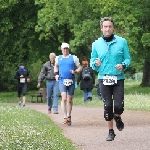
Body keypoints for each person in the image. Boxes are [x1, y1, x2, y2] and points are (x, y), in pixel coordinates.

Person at [90, 17, 131, 141]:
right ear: (101, 28)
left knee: (118, 106)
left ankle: (117, 116)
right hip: (104, 78)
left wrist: (123, 65)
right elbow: (92, 60)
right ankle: (111, 132)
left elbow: (128, 58)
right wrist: (95, 63)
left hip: (118, 78)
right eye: (105, 26)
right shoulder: (96, 44)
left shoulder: (122, 42)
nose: (107, 29)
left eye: (109, 26)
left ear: (113, 28)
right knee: (108, 106)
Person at [54, 43, 82, 126]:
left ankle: (69, 116)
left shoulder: (73, 58)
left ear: (68, 49)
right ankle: (65, 116)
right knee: (64, 98)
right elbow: (55, 66)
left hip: (71, 80)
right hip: (62, 80)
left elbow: (80, 67)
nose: (65, 50)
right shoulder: (58, 58)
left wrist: (76, 71)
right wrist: (56, 74)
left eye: (66, 48)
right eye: (64, 49)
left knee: (70, 100)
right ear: (61, 49)